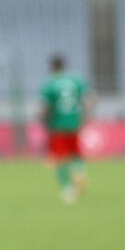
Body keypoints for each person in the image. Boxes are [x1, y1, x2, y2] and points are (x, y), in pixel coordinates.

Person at [40, 53, 92, 203]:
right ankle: (79, 173)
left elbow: (45, 107)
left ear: (52, 67)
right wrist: (84, 116)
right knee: (75, 153)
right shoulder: (77, 80)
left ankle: (68, 188)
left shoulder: (50, 83)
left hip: (58, 125)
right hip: (74, 123)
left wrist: (44, 120)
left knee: (59, 158)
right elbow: (90, 99)